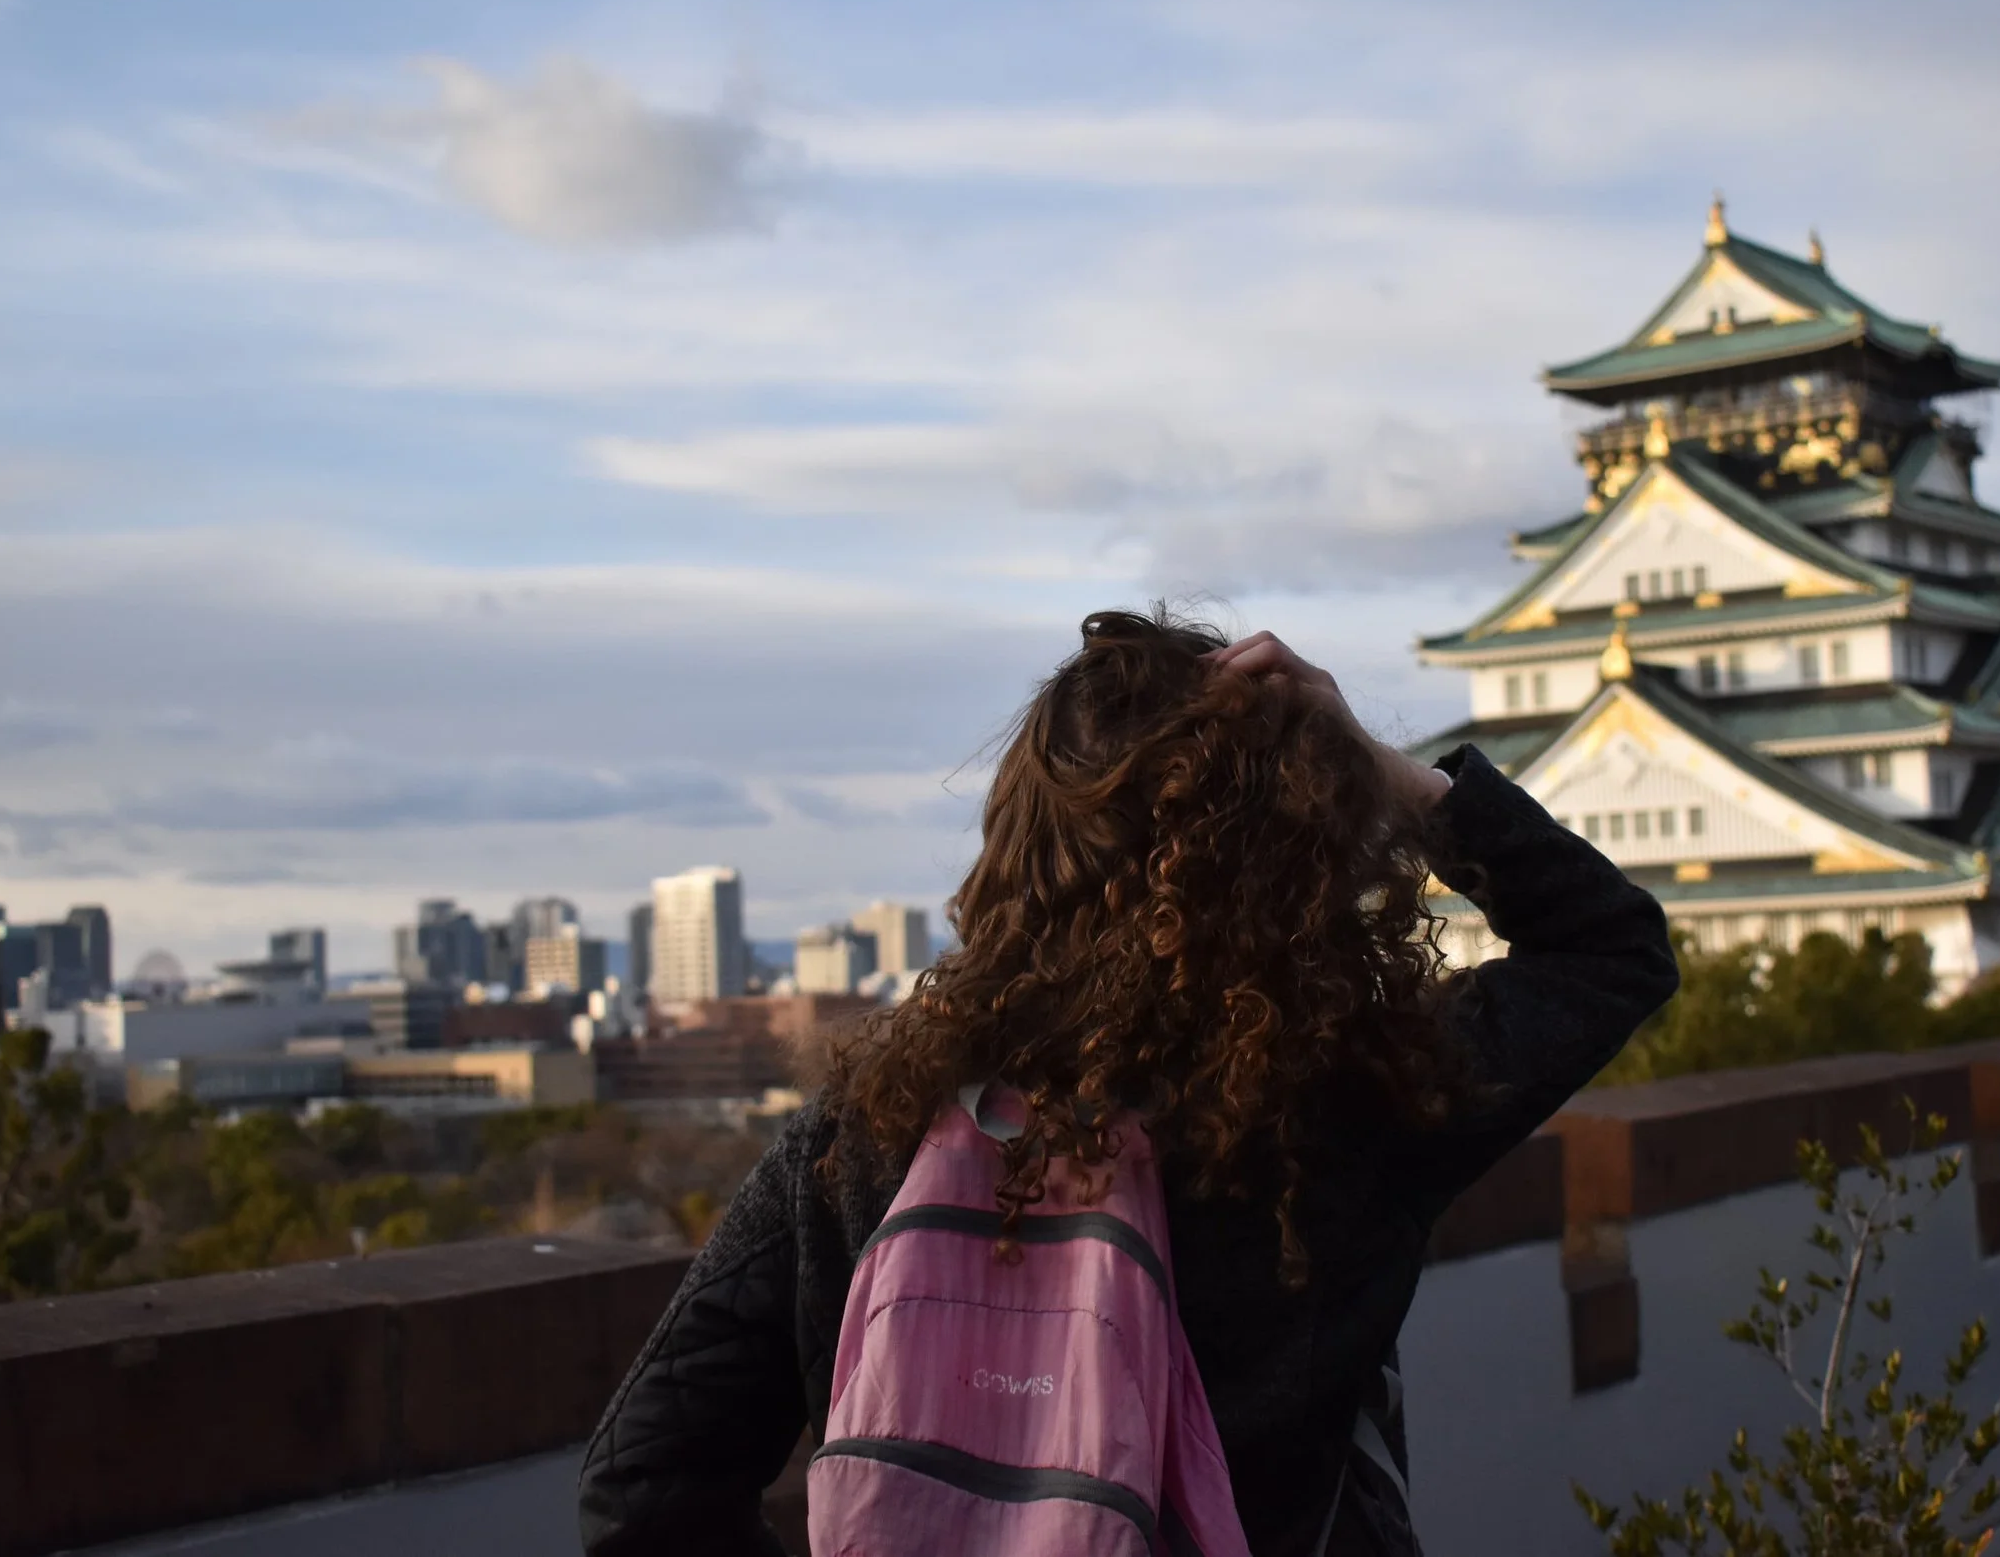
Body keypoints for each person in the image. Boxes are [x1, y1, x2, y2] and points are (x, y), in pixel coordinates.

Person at [577, 611, 1676, 1557]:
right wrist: (1394, 773)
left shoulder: (871, 1127)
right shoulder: (1344, 1105)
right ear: (1294, 849)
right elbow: (1609, 949)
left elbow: (646, 1480)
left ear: (1020, 847)